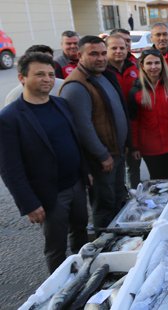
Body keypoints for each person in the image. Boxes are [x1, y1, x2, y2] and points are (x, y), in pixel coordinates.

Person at [0, 52, 88, 273]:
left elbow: (74, 142)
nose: (47, 79)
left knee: (81, 233)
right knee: (56, 247)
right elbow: (10, 168)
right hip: (49, 195)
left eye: (50, 74)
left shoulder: (61, 104)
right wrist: (28, 203)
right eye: (39, 74)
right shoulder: (10, 118)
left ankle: (84, 276)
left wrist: (85, 173)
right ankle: (59, 293)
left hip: (76, 185)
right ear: (22, 78)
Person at [59, 36, 130, 228]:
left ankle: (119, 243)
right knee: (104, 206)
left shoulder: (101, 75)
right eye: (93, 54)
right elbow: (83, 127)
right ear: (79, 55)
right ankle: (104, 246)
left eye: (101, 53)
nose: (100, 58)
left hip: (115, 153)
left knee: (117, 200)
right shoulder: (76, 86)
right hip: (102, 160)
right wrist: (101, 155)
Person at [128, 49, 168, 180]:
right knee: (156, 181)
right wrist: (134, 146)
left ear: (162, 65)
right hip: (150, 148)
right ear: (142, 65)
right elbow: (134, 122)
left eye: (157, 63)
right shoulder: (136, 91)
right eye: (149, 63)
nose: (153, 67)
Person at [106, 34, 140, 188]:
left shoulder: (135, 66)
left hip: (135, 121)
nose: (119, 51)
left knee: (134, 165)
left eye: (122, 47)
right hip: (114, 126)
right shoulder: (102, 71)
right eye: (114, 48)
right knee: (118, 170)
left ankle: (135, 192)